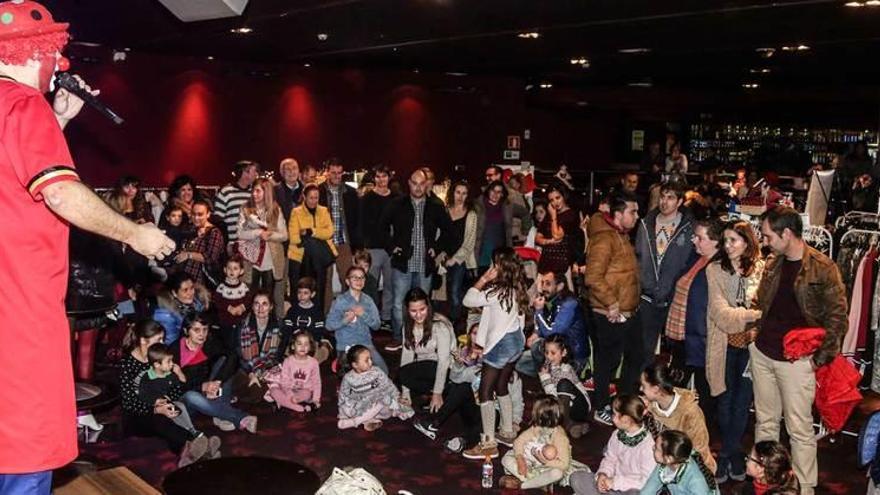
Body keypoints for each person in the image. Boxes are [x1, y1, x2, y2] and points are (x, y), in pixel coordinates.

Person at [0, 4, 175, 488]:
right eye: (56, 53)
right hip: (21, 312)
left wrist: (57, 122)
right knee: (24, 450)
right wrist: (135, 232)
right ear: (34, 52)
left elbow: (16, 181)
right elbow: (57, 190)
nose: (62, 64)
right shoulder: (21, 104)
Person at [753, 206, 847, 494]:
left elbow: (837, 317)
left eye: (769, 235)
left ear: (787, 233)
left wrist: (817, 360)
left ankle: (804, 488)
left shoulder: (823, 267)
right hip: (763, 352)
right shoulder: (773, 262)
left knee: (799, 430)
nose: (764, 240)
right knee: (765, 423)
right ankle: (766, 482)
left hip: (797, 361)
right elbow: (761, 303)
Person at [706, 220, 764, 484]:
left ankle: (728, 454)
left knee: (742, 404)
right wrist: (753, 315)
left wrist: (748, 318)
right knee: (725, 400)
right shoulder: (715, 270)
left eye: (733, 240)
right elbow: (721, 315)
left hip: (753, 347)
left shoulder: (762, 269)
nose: (728, 246)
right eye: (725, 241)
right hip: (724, 345)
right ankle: (733, 454)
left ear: (747, 242)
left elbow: (768, 309)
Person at [462, 247, 529, 459]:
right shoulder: (516, 288)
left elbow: (468, 300)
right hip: (516, 342)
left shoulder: (495, 292)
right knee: (502, 385)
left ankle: (489, 443)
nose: (490, 268)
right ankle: (508, 431)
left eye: (493, 265)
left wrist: (483, 279)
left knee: (485, 390)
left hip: (501, 344)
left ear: (498, 267)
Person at [119, 320, 213, 468]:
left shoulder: (160, 358)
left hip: (162, 405)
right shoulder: (127, 364)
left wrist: (177, 379)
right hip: (137, 415)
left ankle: (195, 451)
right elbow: (128, 402)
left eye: (163, 339)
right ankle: (195, 446)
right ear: (143, 341)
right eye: (159, 340)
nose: (163, 343)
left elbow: (174, 391)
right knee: (161, 420)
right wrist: (156, 408)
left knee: (176, 410)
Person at [585, 190, 642, 426]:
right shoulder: (604, 238)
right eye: (633, 211)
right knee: (607, 361)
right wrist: (612, 303)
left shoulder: (622, 235)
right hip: (610, 313)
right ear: (618, 214)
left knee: (634, 357)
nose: (637, 216)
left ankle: (623, 404)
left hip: (628, 311)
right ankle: (601, 406)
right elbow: (592, 277)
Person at [379, 169, 450, 351]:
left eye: (421, 183)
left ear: (426, 184)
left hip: (425, 264)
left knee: (422, 306)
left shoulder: (435, 205)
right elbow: (381, 227)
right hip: (403, 263)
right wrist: (392, 246)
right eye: (414, 183)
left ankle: (421, 338)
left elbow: (450, 230)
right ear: (409, 183)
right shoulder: (397, 204)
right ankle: (398, 337)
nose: (418, 187)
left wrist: (439, 246)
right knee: (398, 304)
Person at [664, 218, 723, 420]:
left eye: (700, 237)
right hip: (683, 337)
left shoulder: (718, 268)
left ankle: (699, 437)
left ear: (716, 241)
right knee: (674, 389)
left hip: (700, 340)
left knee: (703, 394)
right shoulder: (696, 259)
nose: (694, 240)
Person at [635, 181, 695, 367]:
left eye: (670, 198)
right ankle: (643, 386)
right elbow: (638, 257)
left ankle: (669, 386)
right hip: (647, 295)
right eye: (663, 196)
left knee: (675, 347)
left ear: (679, 202)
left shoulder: (689, 228)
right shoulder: (646, 224)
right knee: (644, 347)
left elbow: (690, 262)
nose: (664, 201)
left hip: (674, 296)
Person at [170, 314, 256, 434]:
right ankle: (239, 417)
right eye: (196, 330)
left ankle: (220, 413)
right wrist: (202, 387)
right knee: (191, 396)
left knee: (224, 361)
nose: (202, 334)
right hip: (189, 395)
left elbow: (233, 356)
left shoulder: (209, 342)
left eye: (205, 329)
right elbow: (175, 387)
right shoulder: (174, 351)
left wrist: (217, 381)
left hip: (210, 390)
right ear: (186, 331)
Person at [569, 394, 655, 495]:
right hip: (611, 484)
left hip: (629, 488)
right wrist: (603, 474)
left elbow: (645, 481)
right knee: (576, 478)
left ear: (626, 419)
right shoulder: (617, 434)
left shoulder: (648, 445)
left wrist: (615, 482)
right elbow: (610, 458)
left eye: (615, 414)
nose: (612, 418)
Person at [640, 364, 716, 474]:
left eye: (643, 386)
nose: (640, 389)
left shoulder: (690, 412)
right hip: (659, 462)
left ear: (656, 389)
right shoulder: (649, 406)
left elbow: (699, 450)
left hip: (690, 469)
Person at [499, 395, 583, 490]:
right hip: (530, 464)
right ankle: (538, 482)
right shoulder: (536, 427)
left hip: (547, 467)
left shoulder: (560, 436)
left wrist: (545, 461)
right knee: (505, 459)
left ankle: (524, 485)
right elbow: (519, 441)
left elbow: (564, 464)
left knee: (557, 473)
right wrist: (520, 459)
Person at [398, 288, 456, 413]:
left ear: (428, 307)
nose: (418, 315)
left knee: (427, 373)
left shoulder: (440, 326)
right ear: (407, 310)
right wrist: (405, 393)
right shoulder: (407, 327)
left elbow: (444, 362)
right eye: (413, 311)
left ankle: (439, 392)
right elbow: (407, 356)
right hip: (424, 366)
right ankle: (429, 392)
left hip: (445, 368)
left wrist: (437, 393)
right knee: (400, 376)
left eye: (422, 309)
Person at [237, 177, 288, 311]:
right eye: (253, 191)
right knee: (250, 294)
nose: (254, 194)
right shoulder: (245, 209)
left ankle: (269, 323)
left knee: (268, 295)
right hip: (251, 259)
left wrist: (269, 235)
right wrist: (258, 232)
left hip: (271, 260)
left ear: (267, 192)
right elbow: (240, 233)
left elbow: (284, 235)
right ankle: (250, 323)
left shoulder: (276, 209)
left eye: (258, 191)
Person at [524, 269, 589, 375]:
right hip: (554, 351)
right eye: (542, 283)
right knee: (518, 363)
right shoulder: (552, 300)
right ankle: (545, 378)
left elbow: (552, 332)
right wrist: (536, 333)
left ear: (560, 286)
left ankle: (550, 380)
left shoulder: (569, 304)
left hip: (572, 357)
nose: (544, 288)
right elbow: (545, 324)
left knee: (537, 347)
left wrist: (539, 311)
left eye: (548, 284)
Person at [325, 266, 387, 374]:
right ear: (347, 281)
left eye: (362, 278)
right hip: (346, 345)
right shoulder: (340, 301)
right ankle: (339, 362)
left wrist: (363, 314)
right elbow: (329, 325)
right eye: (355, 278)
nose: (359, 281)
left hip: (365, 344)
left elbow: (377, 325)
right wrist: (345, 320)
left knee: (383, 372)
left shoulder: (368, 301)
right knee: (349, 374)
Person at [337, 345, 414, 431]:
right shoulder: (348, 378)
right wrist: (343, 414)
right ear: (355, 365)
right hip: (362, 406)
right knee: (347, 408)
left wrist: (397, 397)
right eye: (366, 360)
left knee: (388, 401)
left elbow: (388, 385)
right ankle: (367, 419)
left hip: (379, 404)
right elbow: (343, 396)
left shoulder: (376, 371)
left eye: (370, 358)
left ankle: (358, 421)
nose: (370, 362)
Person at [232, 290, 289, 405]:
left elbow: (277, 356)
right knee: (241, 382)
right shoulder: (242, 325)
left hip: (268, 369)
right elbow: (238, 354)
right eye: (256, 304)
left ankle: (248, 394)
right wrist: (251, 373)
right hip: (246, 368)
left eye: (265, 304)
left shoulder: (280, 326)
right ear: (252, 307)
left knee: (257, 393)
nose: (260, 308)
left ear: (271, 307)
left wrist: (260, 373)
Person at [135, 343, 202, 439]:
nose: (172, 364)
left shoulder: (170, 374)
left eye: (172, 360)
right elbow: (142, 396)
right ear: (157, 365)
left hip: (169, 403)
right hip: (154, 409)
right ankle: (187, 435)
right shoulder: (146, 379)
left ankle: (192, 430)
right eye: (169, 361)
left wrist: (179, 373)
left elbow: (183, 386)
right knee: (168, 418)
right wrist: (156, 401)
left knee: (179, 406)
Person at [359, 165, 398, 329]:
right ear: (374, 178)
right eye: (378, 177)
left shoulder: (397, 198)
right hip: (373, 248)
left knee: (390, 284)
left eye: (384, 176)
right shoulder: (367, 198)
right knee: (370, 285)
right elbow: (363, 224)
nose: (381, 180)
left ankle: (386, 318)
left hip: (392, 250)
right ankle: (370, 316)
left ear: (389, 178)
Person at [319, 158, 361, 306]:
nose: (337, 176)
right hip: (325, 244)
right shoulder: (319, 192)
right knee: (325, 281)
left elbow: (356, 220)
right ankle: (327, 316)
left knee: (348, 279)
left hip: (344, 242)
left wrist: (356, 246)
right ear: (327, 173)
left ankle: (348, 311)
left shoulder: (350, 192)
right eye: (333, 173)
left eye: (339, 173)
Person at [539, 334, 591, 438]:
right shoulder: (548, 369)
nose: (548, 356)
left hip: (580, 407)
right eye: (546, 352)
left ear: (564, 353)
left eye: (553, 353)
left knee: (563, 383)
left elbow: (554, 398)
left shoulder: (566, 369)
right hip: (566, 407)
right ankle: (574, 426)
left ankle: (564, 425)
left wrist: (545, 377)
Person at [641, 430, 719, 495]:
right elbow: (650, 487)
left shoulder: (696, 480)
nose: (653, 447)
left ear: (669, 458)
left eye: (656, 448)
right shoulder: (664, 465)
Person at [443, 180, 478, 326]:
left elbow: (470, 241)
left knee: (455, 293)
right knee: (442, 294)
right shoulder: (445, 210)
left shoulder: (471, 214)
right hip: (443, 256)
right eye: (458, 192)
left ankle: (455, 324)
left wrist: (455, 258)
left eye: (464, 193)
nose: (460, 196)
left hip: (461, 259)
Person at [265, 331, 322, 412]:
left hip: (303, 391)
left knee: (307, 393)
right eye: (299, 344)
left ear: (310, 347)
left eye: (306, 344)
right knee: (273, 391)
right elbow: (284, 381)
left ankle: (283, 403)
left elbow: (316, 382)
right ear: (292, 346)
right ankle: (295, 407)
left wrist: (316, 399)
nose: (303, 347)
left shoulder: (314, 363)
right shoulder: (287, 361)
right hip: (287, 389)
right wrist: (290, 394)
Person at [174, 199, 224, 288]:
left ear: (208, 214)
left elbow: (211, 258)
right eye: (193, 214)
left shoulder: (214, 232)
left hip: (203, 283)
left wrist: (189, 255)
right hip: (184, 279)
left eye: (200, 214)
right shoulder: (189, 228)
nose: (196, 218)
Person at [284, 276, 333, 364]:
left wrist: (312, 339)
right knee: (287, 354)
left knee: (315, 357)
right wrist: (292, 335)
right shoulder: (293, 310)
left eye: (305, 293)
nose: (301, 296)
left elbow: (319, 330)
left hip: (311, 342)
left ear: (312, 294)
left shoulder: (317, 311)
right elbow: (288, 326)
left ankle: (325, 349)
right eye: (299, 292)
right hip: (296, 341)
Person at [536, 183, 581, 278]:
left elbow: (556, 235)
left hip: (562, 263)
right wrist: (549, 241)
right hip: (546, 261)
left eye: (558, 198)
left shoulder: (571, 215)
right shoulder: (548, 215)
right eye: (551, 200)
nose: (555, 202)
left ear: (564, 196)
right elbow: (537, 238)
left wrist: (553, 216)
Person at [153, 272, 207, 344]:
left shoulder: (197, 304)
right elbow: (171, 341)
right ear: (174, 293)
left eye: (192, 288)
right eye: (185, 290)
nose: (190, 293)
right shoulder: (165, 314)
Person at [214, 160, 258, 246]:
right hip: (232, 244)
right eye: (252, 172)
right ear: (243, 173)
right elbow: (218, 220)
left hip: (252, 244)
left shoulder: (254, 192)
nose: (255, 174)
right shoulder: (226, 192)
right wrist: (226, 243)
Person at [213, 255, 252, 349]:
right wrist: (229, 308)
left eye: (235, 268)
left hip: (240, 322)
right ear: (225, 270)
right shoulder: (221, 287)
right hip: (225, 322)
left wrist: (242, 307)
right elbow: (217, 301)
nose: (232, 271)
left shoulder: (243, 287)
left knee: (239, 344)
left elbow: (249, 300)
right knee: (227, 344)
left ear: (241, 271)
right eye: (229, 268)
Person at [274, 157, 303, 224]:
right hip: (284, 231)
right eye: (288, 169)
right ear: (282, 173)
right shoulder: (275, 191)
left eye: (294, 168)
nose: (291, 171)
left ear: (298, 171)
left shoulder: (306, 190)